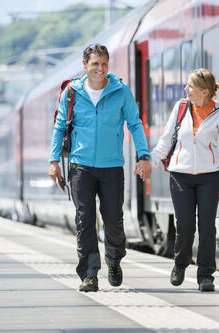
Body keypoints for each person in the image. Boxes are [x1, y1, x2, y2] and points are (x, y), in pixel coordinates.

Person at [49, 43, 152, 292]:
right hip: (80, 166)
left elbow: (135, 124)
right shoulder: (72, 92)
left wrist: (144, 155)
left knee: (113, 220)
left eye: (104, 64)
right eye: (95, 64)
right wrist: (54, 161)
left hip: (112, 166)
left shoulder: (120, 90)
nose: (100, 68)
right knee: (85, 220)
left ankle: (114, 260)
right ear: (85, 65)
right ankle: (89, 273)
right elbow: (60, 126)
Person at [137, 68, 219, 292]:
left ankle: (206, 276)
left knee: (207, 227)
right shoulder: (181, 107)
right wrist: (150, 162)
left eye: (191, 86)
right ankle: (180, 263)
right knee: (184, 225)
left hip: (209, 177)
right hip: (180, 175)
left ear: (205, 92)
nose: (186, 89)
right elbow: (166, 141)